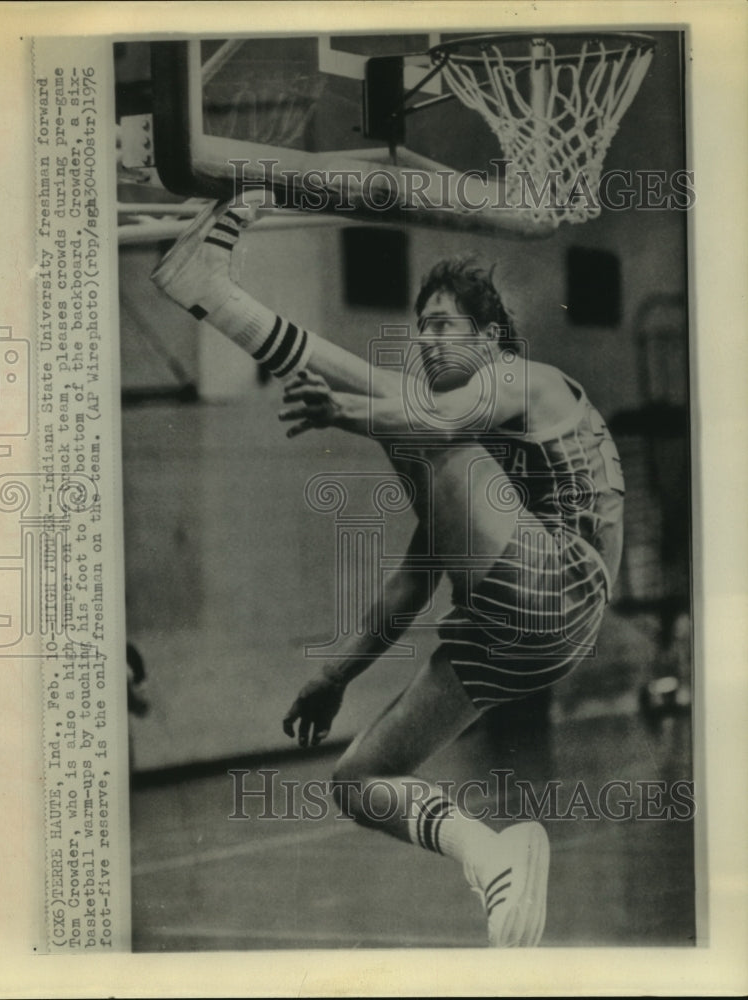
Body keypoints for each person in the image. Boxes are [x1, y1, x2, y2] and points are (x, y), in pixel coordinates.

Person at [152, 197, 625, 947]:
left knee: (398, 408)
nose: (429, 339)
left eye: (445, 325)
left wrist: (342, 410)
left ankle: (214, 295)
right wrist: (335, 675)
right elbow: (412, 583)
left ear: (492, 337)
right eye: (422, 326)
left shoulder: (525, 381)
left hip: (562, 586)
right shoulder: (472, 477)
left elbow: (434, 422)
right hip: (514, 637)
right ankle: (492, 852)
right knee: (359, 781)